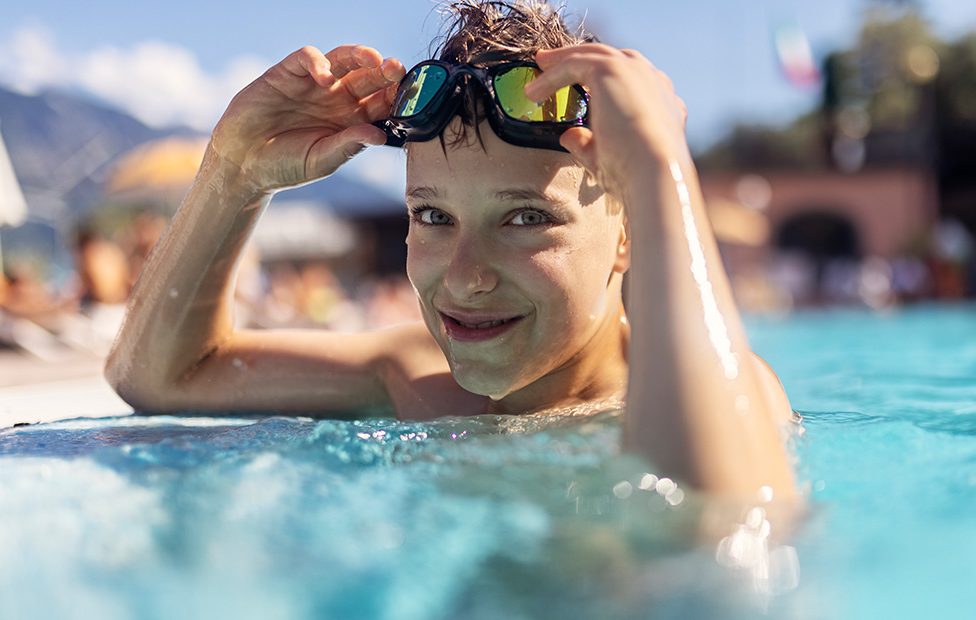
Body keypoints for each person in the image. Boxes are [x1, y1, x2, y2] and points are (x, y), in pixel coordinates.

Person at [105, 0, 799, 508]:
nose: (465, 277)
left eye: (526, 219)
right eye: (433, 215)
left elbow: (723, 531)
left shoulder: (728, 389)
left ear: (626, 233)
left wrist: (658, 170)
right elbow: (161, 377)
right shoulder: (410, 377)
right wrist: (232, 173)